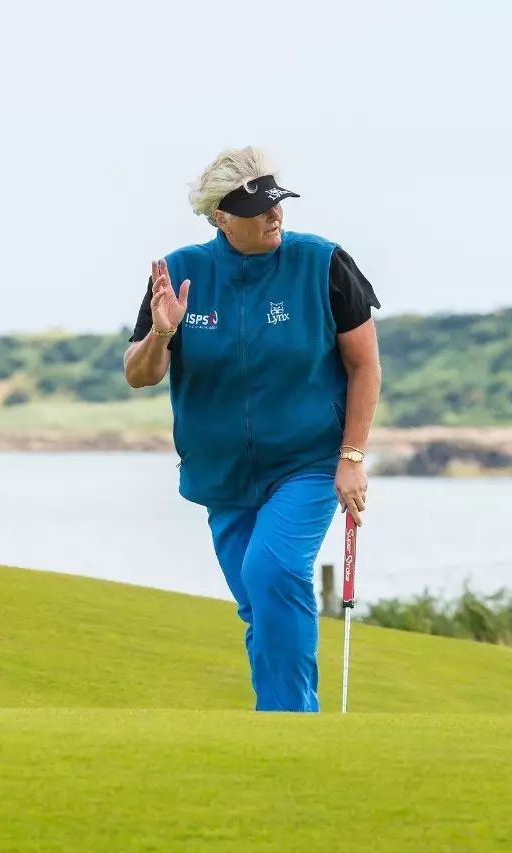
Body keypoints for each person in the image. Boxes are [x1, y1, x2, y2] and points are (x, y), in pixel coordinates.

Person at [123, 146, 382, 713]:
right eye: (257, 209)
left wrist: (353, 457)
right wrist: (163, 332)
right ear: (220, 216)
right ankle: (279, 721)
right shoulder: (180, 273)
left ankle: (288, 721)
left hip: (307, 462)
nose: (274, 216)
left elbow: (365, 364)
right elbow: (139, 374)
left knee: (275, 571)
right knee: (261, 602)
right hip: (222, 474)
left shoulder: (322, 263)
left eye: (276, 204)